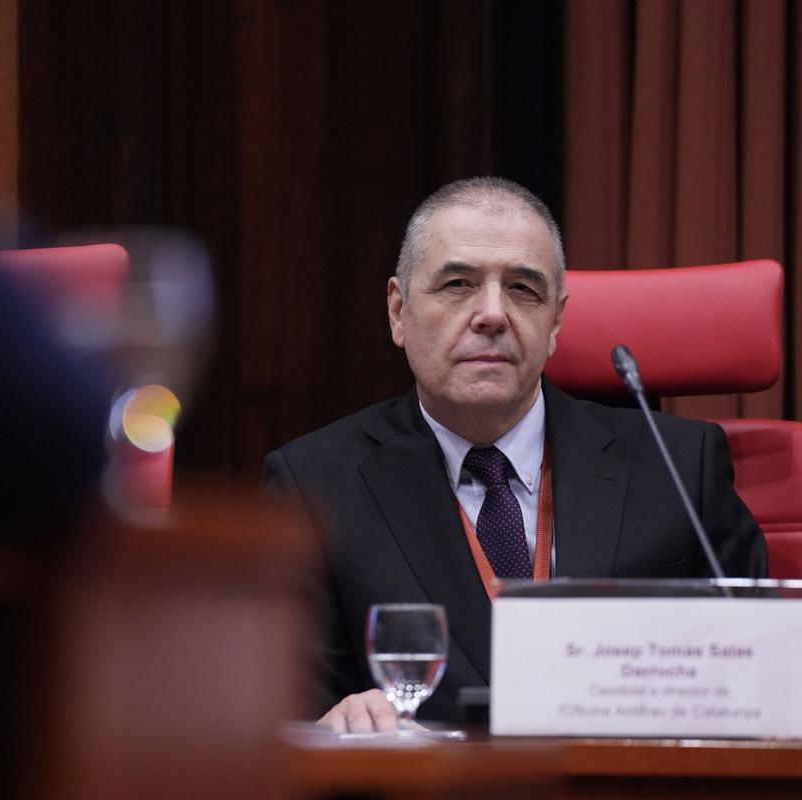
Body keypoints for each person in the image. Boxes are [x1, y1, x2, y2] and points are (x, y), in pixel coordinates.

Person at [263, 176, 768, 732]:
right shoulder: (314, 487)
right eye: (458, 283)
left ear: (555, 321)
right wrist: (331, 725)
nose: (493, 314)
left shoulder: (678, 470)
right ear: (398, 311)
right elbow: (280, 718)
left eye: (524, 290)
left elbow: (777, 693)